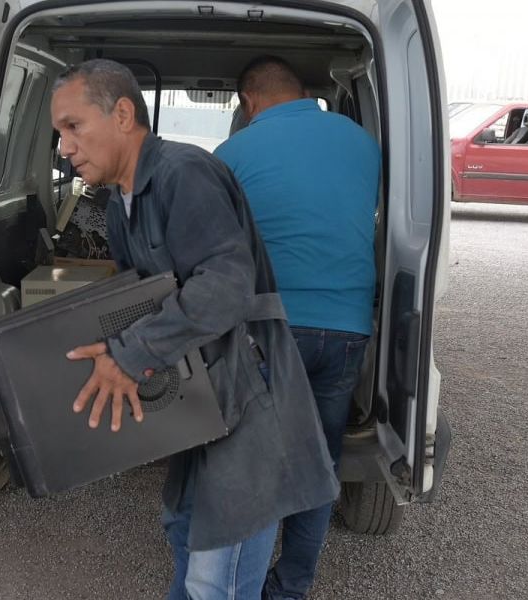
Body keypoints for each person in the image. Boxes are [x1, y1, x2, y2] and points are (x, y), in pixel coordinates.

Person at [52, 59, 337, 600]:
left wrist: (130, 355)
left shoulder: (184, 173)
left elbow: (226, 287)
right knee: (184, 528)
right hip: (195, 395)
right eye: (59, 133)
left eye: (73, 126)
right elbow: (141, 299)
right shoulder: (119, 205)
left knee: (218, 576)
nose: (65, 146)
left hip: (244, 389)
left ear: (122, 114)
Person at [214, 56, 380, 600]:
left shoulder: (232, 153)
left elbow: (219, 247)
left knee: (255, 461)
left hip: (269, 328)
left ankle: (236, 582)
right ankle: (289, 589)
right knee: (319, 464)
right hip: (348, 329)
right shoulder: (361, 142)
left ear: (249, 103)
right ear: (303, 92)